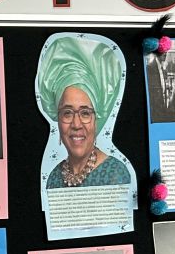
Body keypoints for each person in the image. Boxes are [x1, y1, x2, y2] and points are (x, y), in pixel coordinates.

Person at [36, 35, 130, 188]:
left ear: (96, 119)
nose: (76, 124)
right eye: (67, 112)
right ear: (57, 119)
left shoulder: (116, 174)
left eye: (85, 113)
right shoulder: (53, 178)